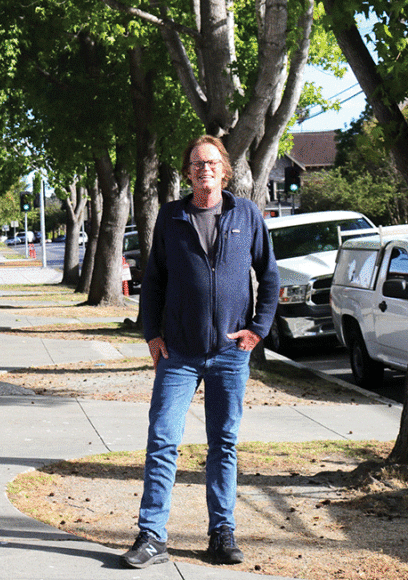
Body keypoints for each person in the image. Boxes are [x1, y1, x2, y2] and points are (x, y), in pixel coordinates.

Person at [121, 135, 279, 569]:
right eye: (195, 163)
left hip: (229, 354)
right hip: (178, 354)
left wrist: (256, 331)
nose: (202, 169)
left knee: (223, 443)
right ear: (188, 172)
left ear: (223, 170)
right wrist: (152, 333)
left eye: (210, 162)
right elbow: (153, 281)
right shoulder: (171, 217)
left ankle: (221, 532)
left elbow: (268, 277)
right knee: (163, 439)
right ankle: (152, 536)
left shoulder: (245, 214)